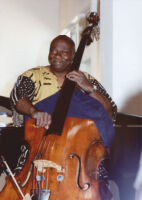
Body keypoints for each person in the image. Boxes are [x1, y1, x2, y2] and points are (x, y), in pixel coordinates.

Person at [10, 35, 117, 199]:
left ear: (73, 56)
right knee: (16, 185)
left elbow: (109, 110)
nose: (57, 56)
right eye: (53, 51)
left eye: (64, 52)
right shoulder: (33, 76)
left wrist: (89, 89)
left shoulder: (84, 79)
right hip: (40, 150)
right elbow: (18, 97)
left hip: (76, 154)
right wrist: (34, 112)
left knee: (99, 184)